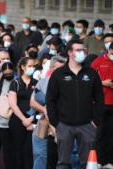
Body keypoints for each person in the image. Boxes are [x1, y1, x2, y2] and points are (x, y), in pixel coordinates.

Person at [46, 39, 104, 168]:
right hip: (64, 125)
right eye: (78, 50)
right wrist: (56, 122)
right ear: (70, 53)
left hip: (87, 125)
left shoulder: (91, 73)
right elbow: (50, 100)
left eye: (83, 50)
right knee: (63, 163)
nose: (82, 53)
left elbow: (100, 99)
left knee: (88, 163)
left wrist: (96, 121)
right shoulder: (58, 74)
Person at [30, 55, 67, 169]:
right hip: (43, 124)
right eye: (58, 68)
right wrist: (46, 109)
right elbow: (32, 102)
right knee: (40, 155)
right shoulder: (43, 82)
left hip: (62, 125)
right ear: (52, 69)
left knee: (61, 158)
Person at [8, 57, 37, 169]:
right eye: (29, 66)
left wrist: (31, 119)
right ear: (23, 67)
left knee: (29, 150)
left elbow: (40, 102)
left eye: (33, 66)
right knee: (17, 150)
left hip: (32, 119)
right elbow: (13, 104)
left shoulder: (36, 83)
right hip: (18, 120)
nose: (32, 68)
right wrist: (24, 119)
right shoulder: (15, 83)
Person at [91, 42, 113, 168]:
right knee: (99, 133)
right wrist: (102, 82)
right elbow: (90, 78)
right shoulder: (98, 61)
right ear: (109, 50)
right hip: (101, 103)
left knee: (111, 133)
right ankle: (98, 160)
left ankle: (109, 161)